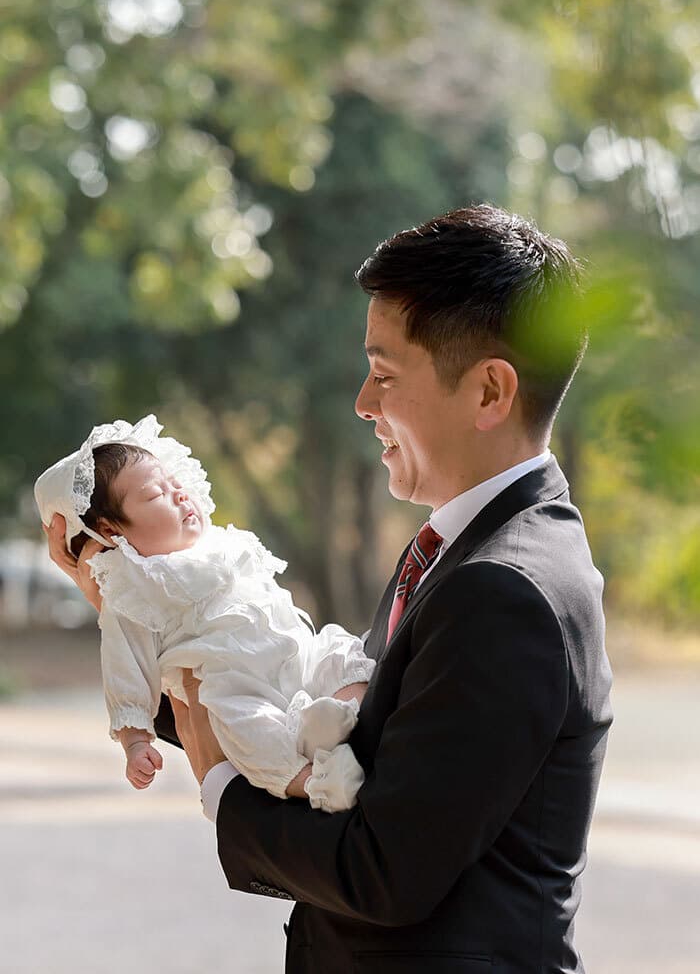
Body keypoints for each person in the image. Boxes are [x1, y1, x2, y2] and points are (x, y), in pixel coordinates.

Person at [46, 204, 613, 973]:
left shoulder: (504, 587)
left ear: (489, 393)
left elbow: (382, 872)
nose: (362, 403)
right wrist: (140, 612)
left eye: (384, 374)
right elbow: (318, 718)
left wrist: (221, 786)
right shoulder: (467, 547)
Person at [36, 416, 374, 812]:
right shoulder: (132, 588)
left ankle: (337, 712)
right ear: (112, 532)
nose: (179, 495)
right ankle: (318, 782)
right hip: (235, 684)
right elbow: (124, 665)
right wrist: (135, 740)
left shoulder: (219, 542)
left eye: (175, 484)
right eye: (155, 495)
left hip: (298, 655)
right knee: (242, 731)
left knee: (340, 646)